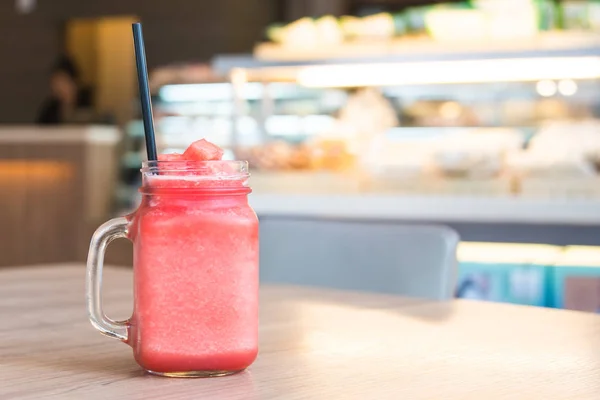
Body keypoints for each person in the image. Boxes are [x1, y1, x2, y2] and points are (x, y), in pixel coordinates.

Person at [36, 55, 94, 124]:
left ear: (74, 82)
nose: (59, 88)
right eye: (56, 84)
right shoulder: (50, 109)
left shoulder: (87, 103)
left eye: (63, 82)